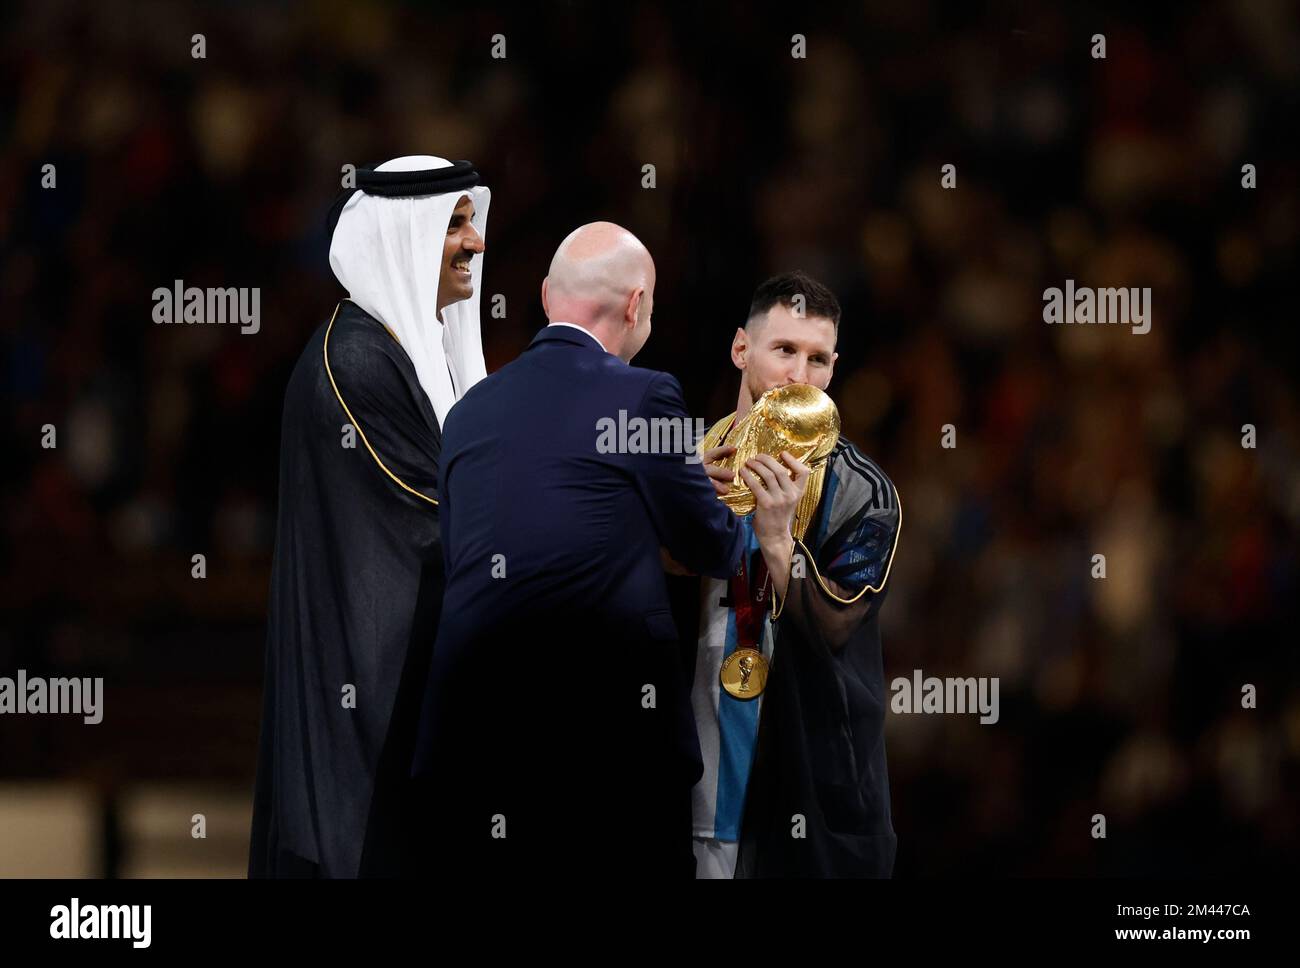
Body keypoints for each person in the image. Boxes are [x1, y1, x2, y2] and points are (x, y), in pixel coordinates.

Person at [412, 222, 743, 878]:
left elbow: (504, 541)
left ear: (544, 296)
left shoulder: (468, 412)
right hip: (601, 752)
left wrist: (649, 493)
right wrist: (679, 493)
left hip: (470, 747)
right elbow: (714, 545)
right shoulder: (644, 395)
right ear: (635, 304)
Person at [249, 155, 491, 877]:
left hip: (393, 697)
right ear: (403, 237)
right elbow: (439, 526)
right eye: (455, 224)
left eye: (472, 220)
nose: (476, 242)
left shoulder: (392, 353)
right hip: (363, 713)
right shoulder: (354, 363)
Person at [680, 270, 902, 878]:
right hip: (688, 770)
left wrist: (779, 540)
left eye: (818, 359)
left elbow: (835, 629)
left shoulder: (864, 492)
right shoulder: (686, 469)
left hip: (805, 785)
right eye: (784, 351)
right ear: (740, 349)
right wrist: (681, 518)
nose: (800, 376)